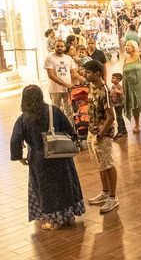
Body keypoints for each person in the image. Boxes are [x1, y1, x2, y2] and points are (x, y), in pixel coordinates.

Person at [10, 85, 85, 230]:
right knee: (65, 185)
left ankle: (52, 221)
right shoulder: (53, 111)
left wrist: (19, 157)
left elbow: (15, 140)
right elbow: (70, 131)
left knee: (45, 190)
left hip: (39, 160)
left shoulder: (23, 119)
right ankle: (69, 217)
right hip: (60, 156)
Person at [83, 60, 119, 213]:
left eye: (88, 72)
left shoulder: (105, 90)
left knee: (108, 164)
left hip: (102, 132)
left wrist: (101, 133)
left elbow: (111, 116)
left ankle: (112, 197)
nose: (86, 74)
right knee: (100, 163)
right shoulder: (92, 86)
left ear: (97, 73)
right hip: (94, 130)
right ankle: (104, 192)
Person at [44, 39, 80, 120]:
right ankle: (57, 130)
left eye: (61, 46)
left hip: (68, 89)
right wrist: (65, 84)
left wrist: (81, 79)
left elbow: (74, 73)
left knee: (69, 111)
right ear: (54, 47)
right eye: (58, 46)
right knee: (56, 111)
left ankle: (70, 129)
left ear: (64, 48)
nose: (59, 48)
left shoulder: (68, 58)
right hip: (55, 90)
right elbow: (51, 75)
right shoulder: (49, 58)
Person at [122, 40, 141, 134]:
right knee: (134, 105)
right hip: (129, 85)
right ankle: (137, 124)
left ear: (134, 47)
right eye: (126, 46)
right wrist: (123, 85)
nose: (126, 47)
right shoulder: (126, 58)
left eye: (128, 46)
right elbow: (123, 72)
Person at [110, 73, 128, 139]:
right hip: (115, 104)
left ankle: (120, 131)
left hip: (119, 104)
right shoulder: (113, 86)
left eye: (114, 78)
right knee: (119, 117)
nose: (112, 79)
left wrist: (118, 91)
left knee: (119, 117)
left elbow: (123, 95)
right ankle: (124, 130)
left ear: (118, 80)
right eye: (112, 78)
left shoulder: (119, 86)